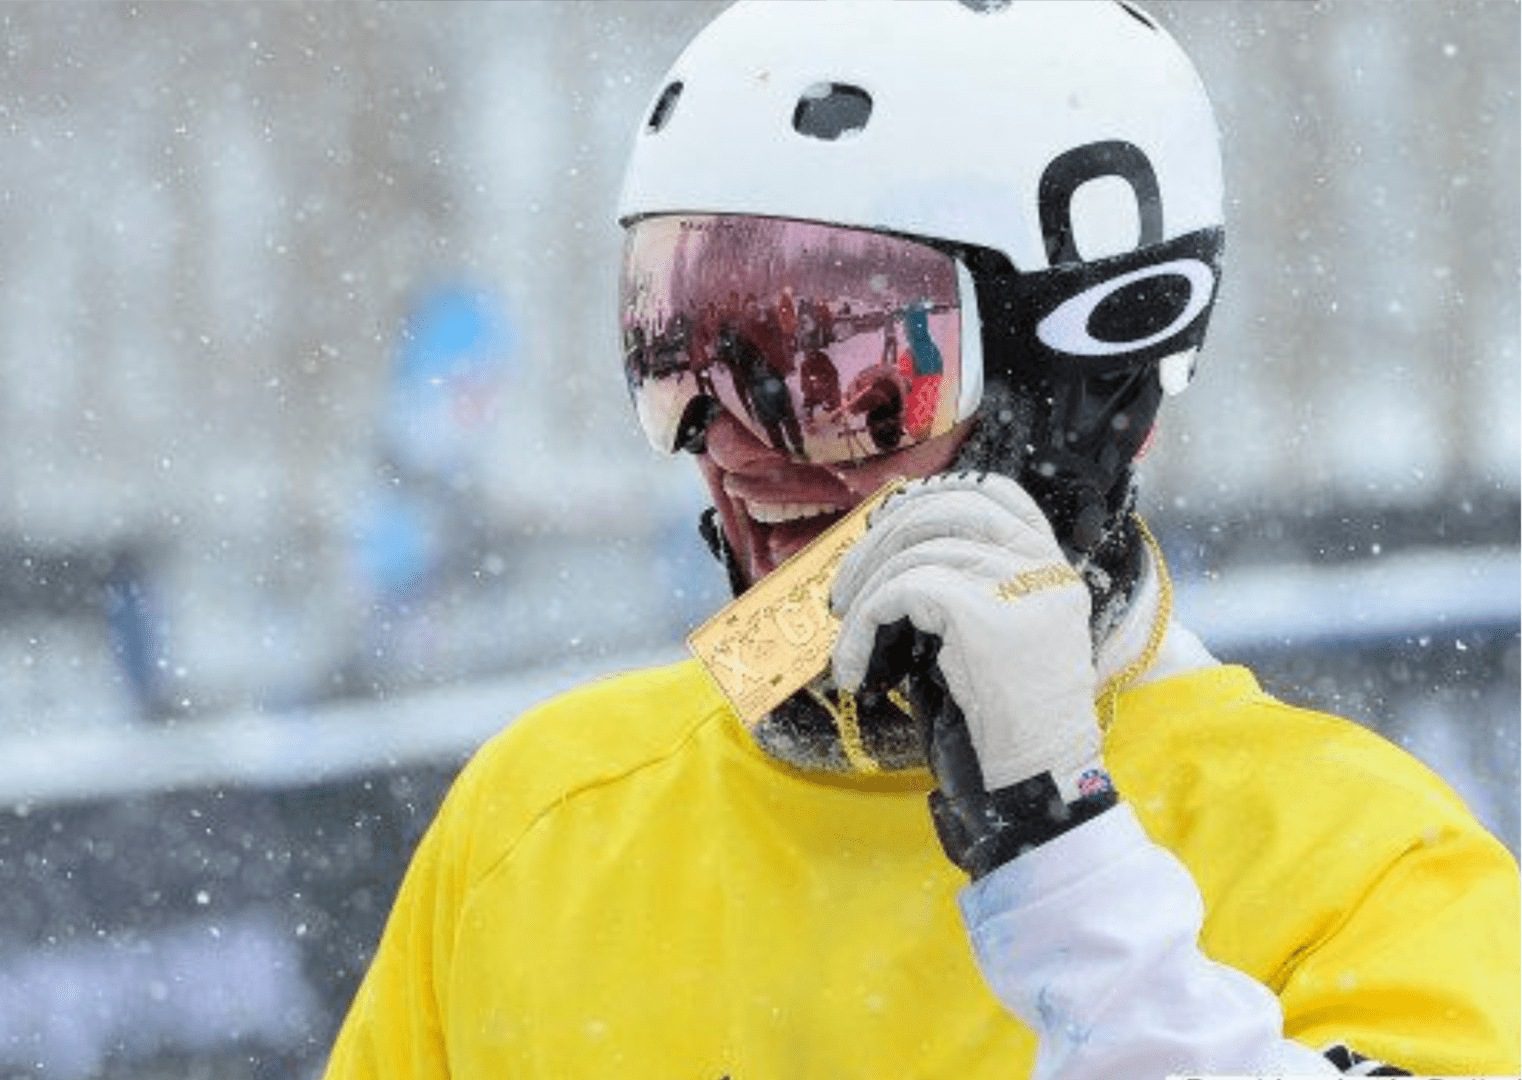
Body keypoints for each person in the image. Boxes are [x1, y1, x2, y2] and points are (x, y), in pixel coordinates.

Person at [325, 3, 1519, 1078]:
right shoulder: (538, 822)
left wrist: (1063, 858)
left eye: (832, 360)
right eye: (677, 346)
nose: (730, 439)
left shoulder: (1356, 862)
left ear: (1082, 389)